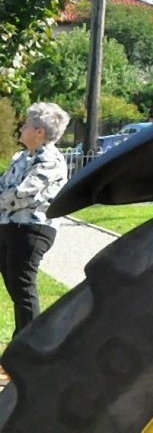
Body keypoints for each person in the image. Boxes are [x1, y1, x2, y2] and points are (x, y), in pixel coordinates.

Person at [0, 103, 71, 333]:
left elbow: (23, 193)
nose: (21, 128)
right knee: (15, 286)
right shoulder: (22, 157)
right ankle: (22, 345)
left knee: (22, 285)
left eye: (27, 125)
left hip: (32, 229)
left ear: (40, 132)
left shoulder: (50, 160)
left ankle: (28, 353)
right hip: (9, 226)